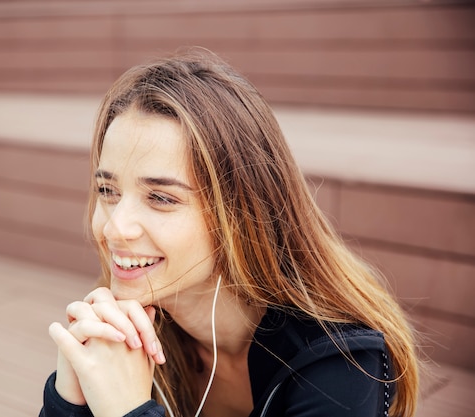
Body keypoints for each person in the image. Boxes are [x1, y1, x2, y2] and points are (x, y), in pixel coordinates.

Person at [39, 48, 420, 417]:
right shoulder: (124, 339)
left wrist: (130, 412)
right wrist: (67, 402)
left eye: (160, 197)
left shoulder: (339, 363)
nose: (115, 227)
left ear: (240, 212)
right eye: (108, 191)